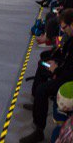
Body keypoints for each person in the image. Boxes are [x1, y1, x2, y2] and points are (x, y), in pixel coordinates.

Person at [21, 9, 73, 143]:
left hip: (67, 79)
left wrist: (56, 69)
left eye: (64, 27)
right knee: (42, 63)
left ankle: (39, 131)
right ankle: (36, 102)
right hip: (61, 68)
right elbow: (65, 57)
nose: (63, 30)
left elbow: (69, 73)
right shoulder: (70, 37)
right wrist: (54, 62)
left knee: (42, 90)